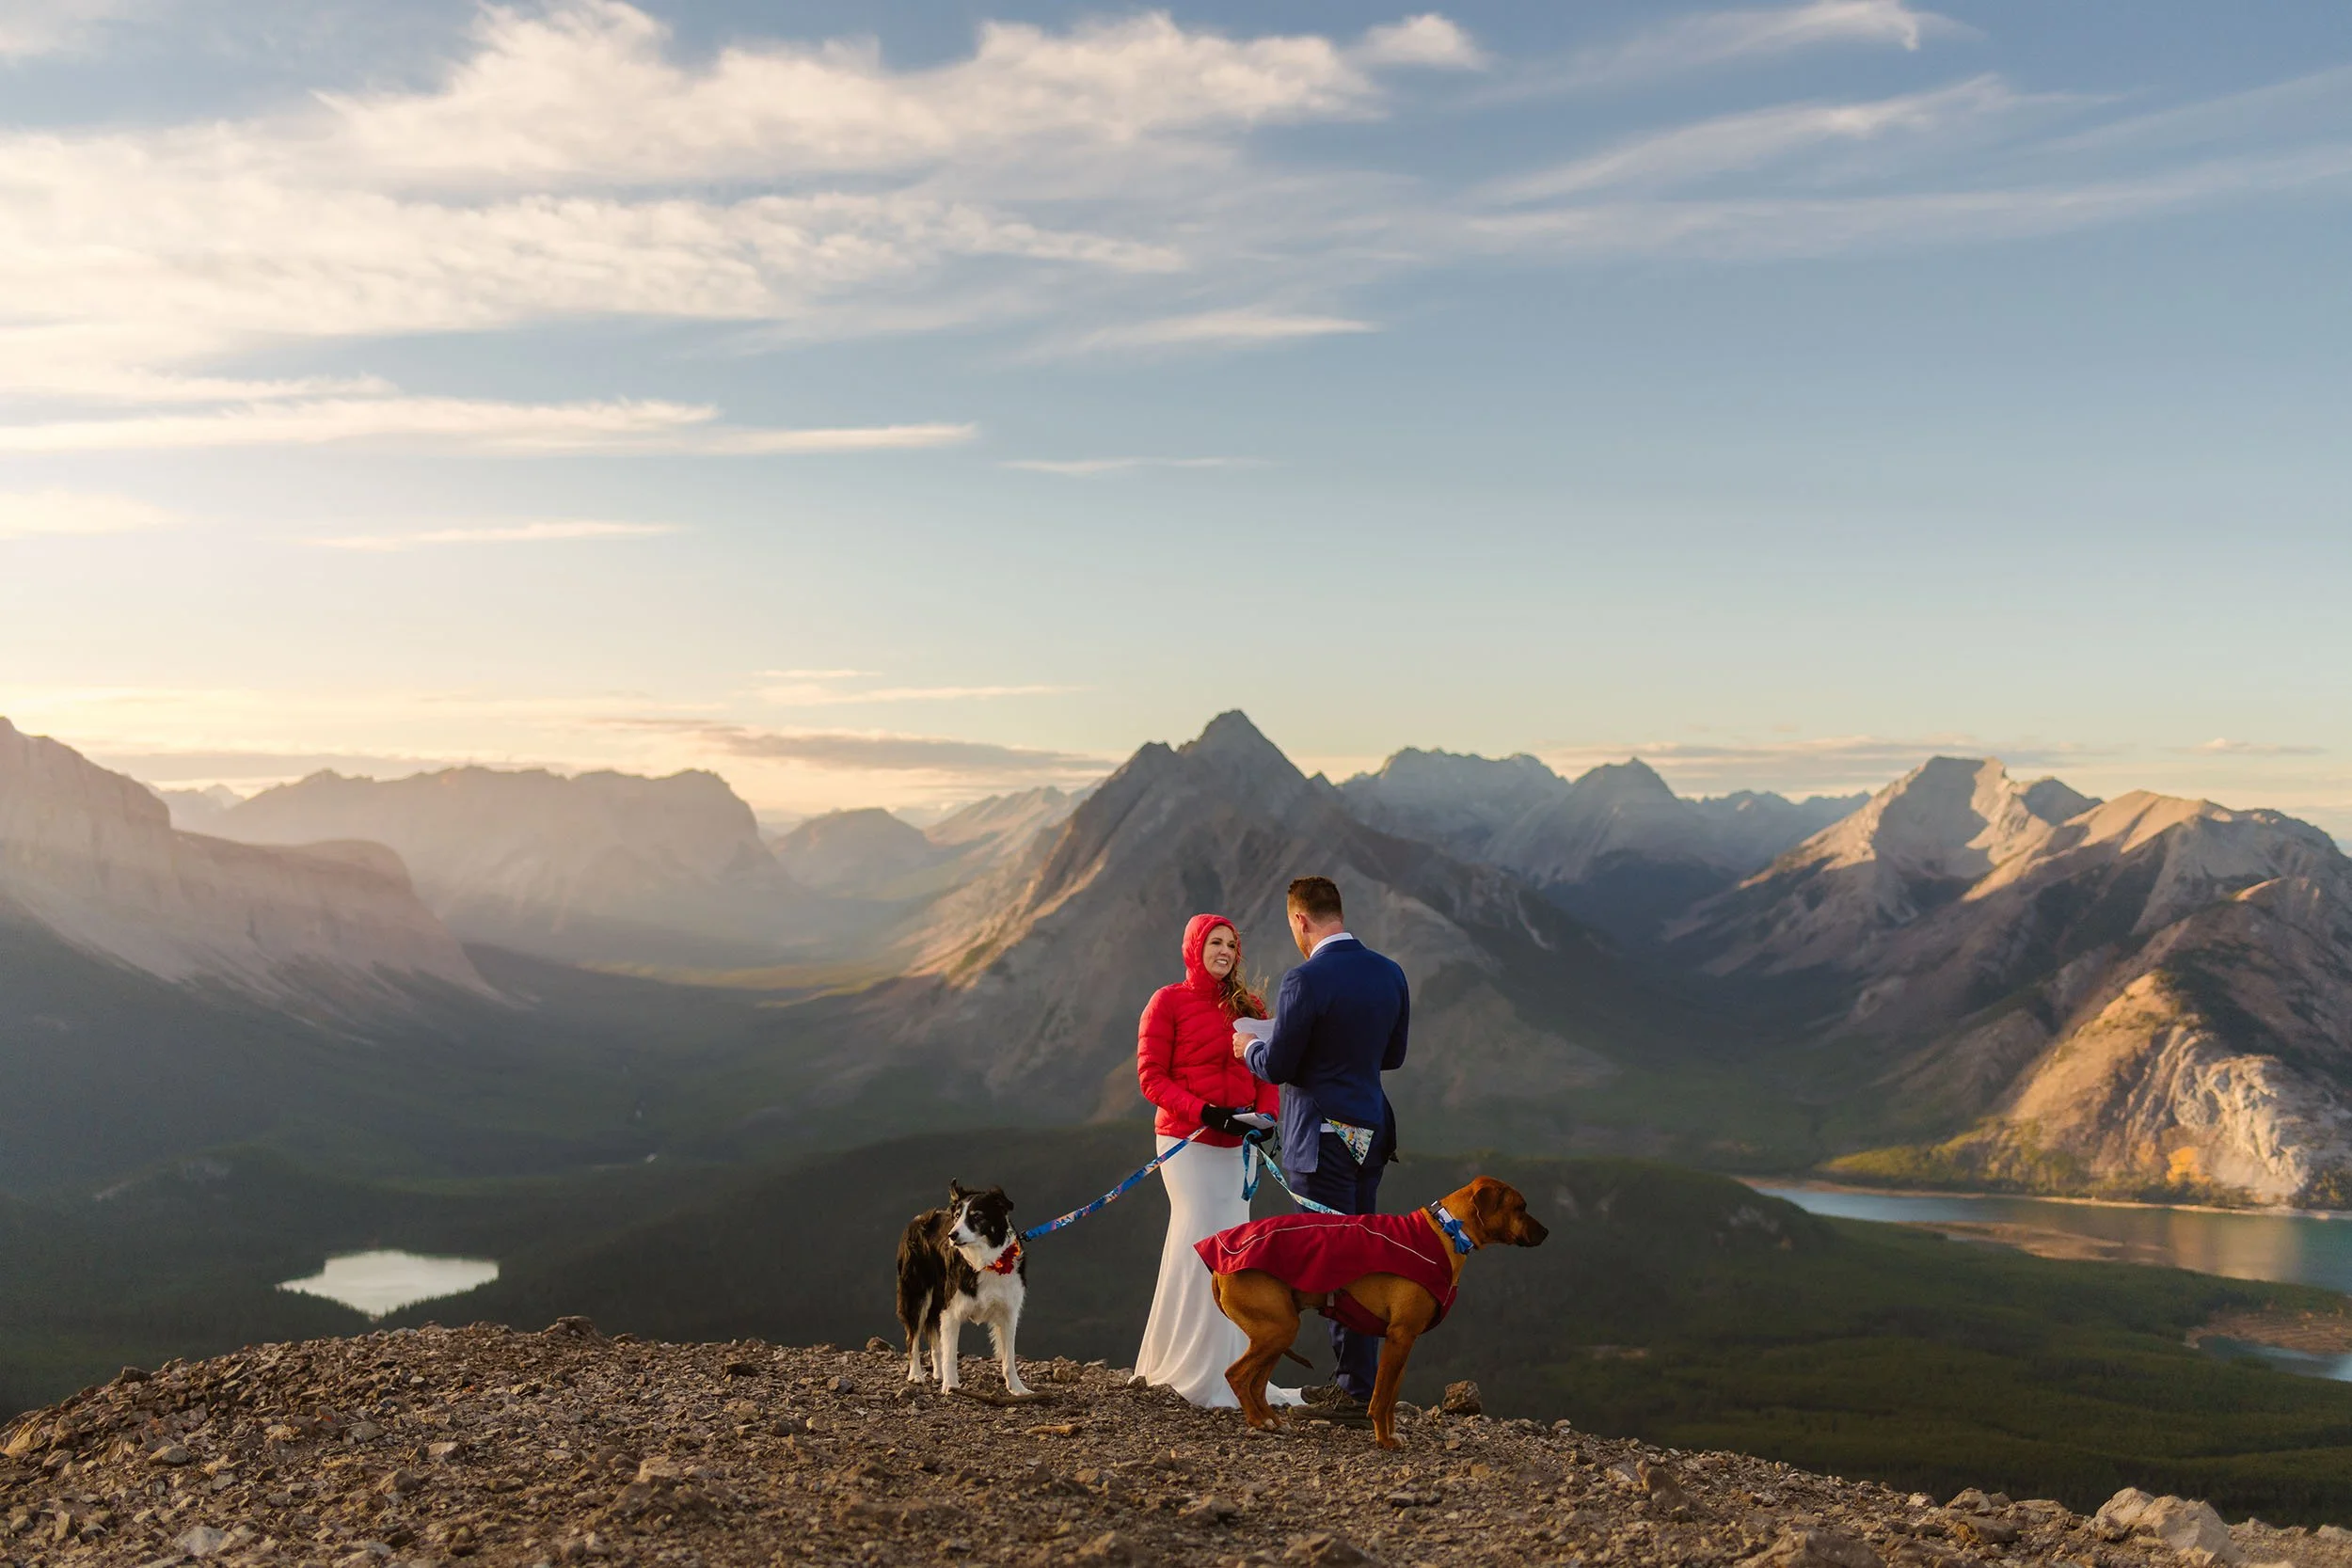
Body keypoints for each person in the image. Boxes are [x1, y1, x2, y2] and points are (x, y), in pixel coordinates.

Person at [1234, 876, 1409, 1408]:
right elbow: (1393, 1056)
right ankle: (1358, 1384)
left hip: (1322, 1136)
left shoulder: (1303, 981)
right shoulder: (1390, 973)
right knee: (1363, 1252)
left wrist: (1247, 1048)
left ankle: (1353, 1393)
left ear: (1300, 921)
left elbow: (1280, 1064)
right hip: (1371, 1131)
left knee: (1334, 1258)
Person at [1132, 914, 1303, 1408]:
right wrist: (1206, 1112)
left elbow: (1267, 1074)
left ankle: (1232, 1368)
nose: (1225, 951)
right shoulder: (1166, 1002)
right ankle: (1186, 1368)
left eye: (1231, 944)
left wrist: (1265, 1117)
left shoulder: (1248, 1006)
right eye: (1215, 942)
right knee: (1199, 1238)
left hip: (1238, 1146)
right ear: (1194, 948)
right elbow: (1151, 1079)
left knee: (1236, 1248)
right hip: (1187, 1142)